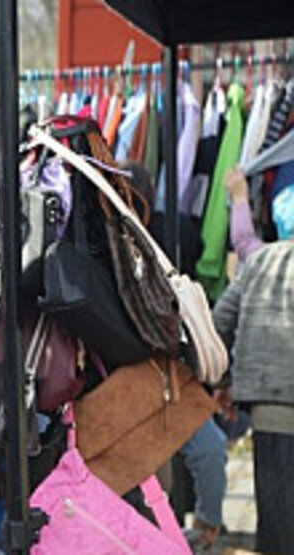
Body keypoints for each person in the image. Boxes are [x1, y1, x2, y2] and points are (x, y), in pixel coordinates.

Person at [126, 162, 227, 551]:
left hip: (145, 373)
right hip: (163, 369)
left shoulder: (111, 244)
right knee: (202, 450)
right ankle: (200, 528)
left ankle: (193, 528)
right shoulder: (171, 234)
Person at [212, 168, 294, 555]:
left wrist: (222, 381)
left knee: (276, 518)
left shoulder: (258, 263)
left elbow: (219, 324)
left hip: (268, 411)